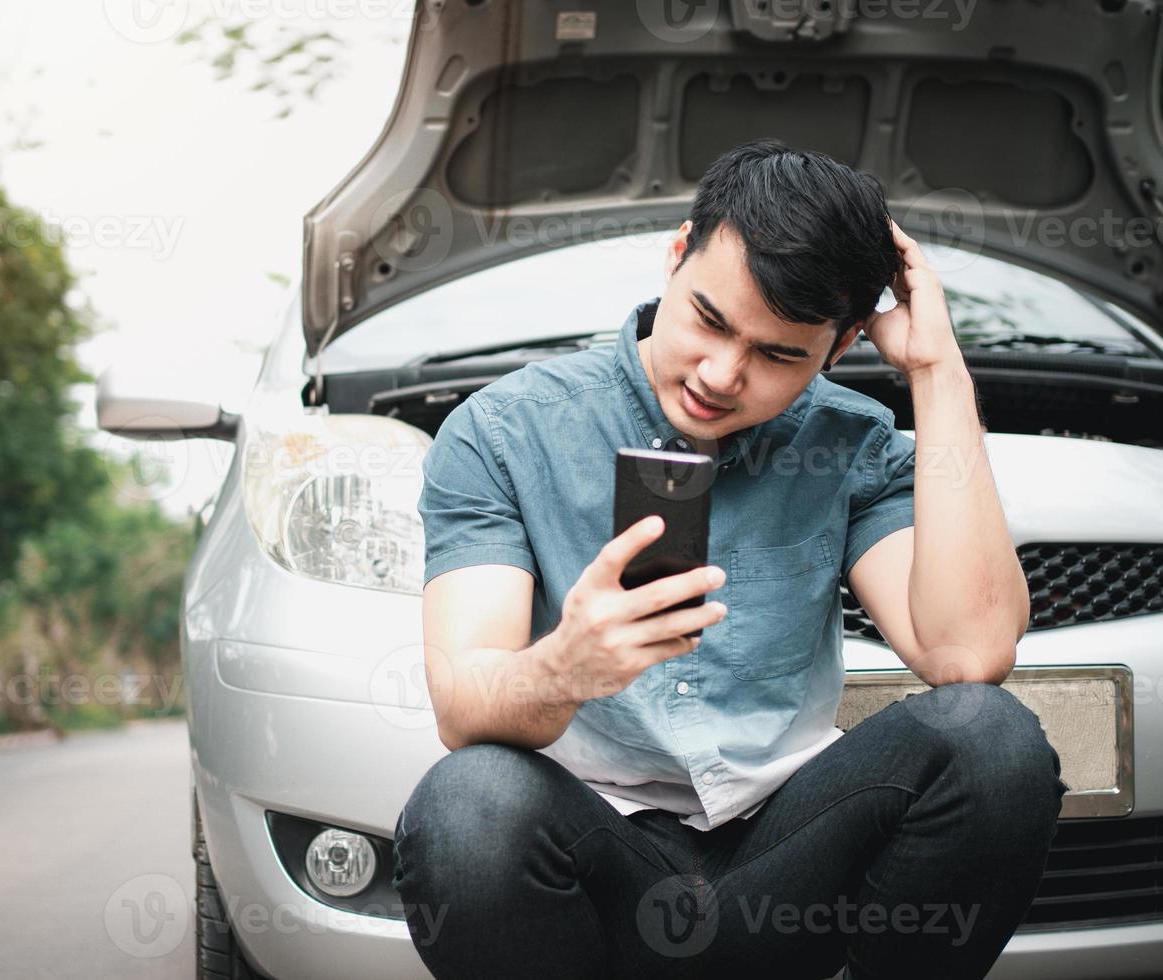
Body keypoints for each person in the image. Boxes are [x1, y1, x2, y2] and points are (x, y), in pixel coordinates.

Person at [392, 139, 1068, 980]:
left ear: (842, 343)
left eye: (779, 354)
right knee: (469, 806)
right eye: (710, 321)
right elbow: (464, 704)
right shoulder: (504, 432)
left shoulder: (849, 444)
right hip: (591, 864)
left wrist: (935, 367)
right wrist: (565, 667)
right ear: (677, 254)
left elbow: (969, 653)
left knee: (991, 740)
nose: (720, 375)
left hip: (790, 861)